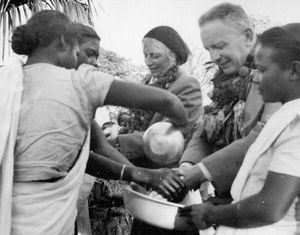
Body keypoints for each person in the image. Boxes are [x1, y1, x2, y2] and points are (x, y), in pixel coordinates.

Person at [0, 10, 189, 234]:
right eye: (79, 51)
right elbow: (170, 103)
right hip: (48, 220)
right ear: (63, 43)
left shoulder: (7, 82)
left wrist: (138, 174)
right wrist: (178, 127)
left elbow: (88, 154)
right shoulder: (81, 83)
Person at [179, 23, 300, 235]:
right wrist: (225, 204)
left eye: (262, 70)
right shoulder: (285, 111)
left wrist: (211, 214)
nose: (255, 76)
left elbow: (271, 206)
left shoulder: (293, 119)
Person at [178, 2, 281, 199]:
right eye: (208, 49)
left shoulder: (278, 73)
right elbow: (205, 132)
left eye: (219, 46)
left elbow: (264, 137)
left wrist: (201, 171)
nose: (214, 57)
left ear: (248, 37)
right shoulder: (224, 81)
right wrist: (186, 167)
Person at [111, 25, 203, 169]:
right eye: (145, 55)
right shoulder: (147, 80)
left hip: (167, 173)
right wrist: (113, 129)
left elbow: (164, 137)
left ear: (173, 56)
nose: (148, 62)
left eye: (155, 56)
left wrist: (114, 142)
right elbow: (134, 120)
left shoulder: (187, 85)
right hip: (138, 168)